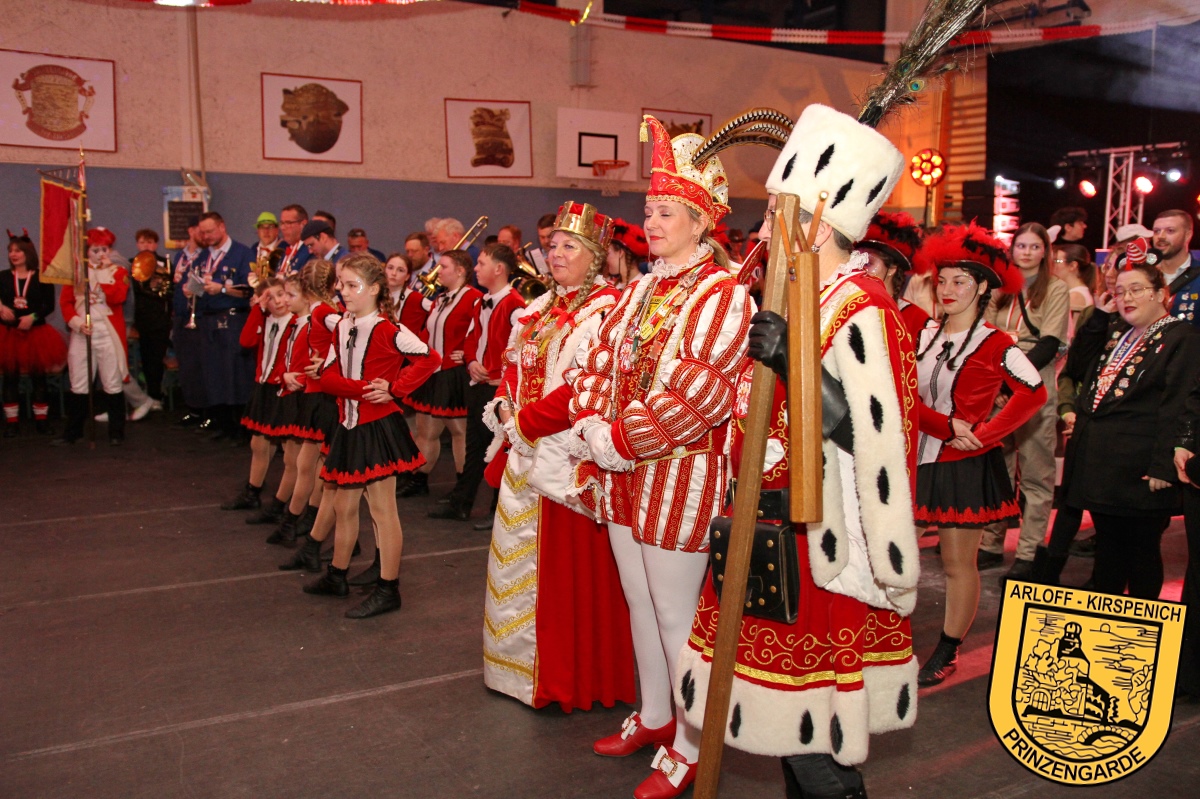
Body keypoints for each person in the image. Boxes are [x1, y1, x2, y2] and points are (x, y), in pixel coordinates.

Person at [676, 104, 920, 799]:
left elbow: (877, 442)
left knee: (815, 742)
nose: (760, 232)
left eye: (774, 214)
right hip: (766, 530)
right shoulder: (797, 295)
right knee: (787, 733)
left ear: (811, 224)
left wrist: (795, 363)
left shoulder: (863, 307)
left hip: (822, 548)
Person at [568, 116, 753, 799]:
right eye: (648, 210)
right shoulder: (643, 287)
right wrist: (595, 425)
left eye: (666, 211)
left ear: (702, 222)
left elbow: (699, 394)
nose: (650, 222)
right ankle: (653, 714)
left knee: (678, 615)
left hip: (680, 474)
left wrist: (617, 441)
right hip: (623, 474)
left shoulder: (723, 294)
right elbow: (595, 360)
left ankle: (692, 742)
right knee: (640, 601)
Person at [481, 201, 634, 710]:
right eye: (553, 245)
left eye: (571, 246)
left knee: (566, 578)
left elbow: (585, 384)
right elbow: (512, 367)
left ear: (595, 255)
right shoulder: (540, 306)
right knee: (518, 566)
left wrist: (526, 424)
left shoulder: (608, 310)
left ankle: (564, 677)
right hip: (524, 451)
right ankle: (516, 674)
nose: (558, 253)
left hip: (565, 460)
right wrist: (506, 408)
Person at [910, 223, 1047, 687]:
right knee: (896, 555)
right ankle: (881, 641)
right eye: (942, 280)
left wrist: (986, 435)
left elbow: (1034, 392)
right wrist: (944, 426)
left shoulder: (997, 342)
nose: (947, 290)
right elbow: (902, 394)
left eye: (960, 281)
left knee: (956, 563)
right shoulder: (922, 333)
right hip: (914, 457)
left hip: (962, 464)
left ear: (984, 287)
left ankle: (947, 649)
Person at [300, 254, 439, 618]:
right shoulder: (343, 325)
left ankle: (388, 588)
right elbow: (327, 378)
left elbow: (430, 358)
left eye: (352, 285)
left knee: (382, 510)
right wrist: (361, 389)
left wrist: (395, 388)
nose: (343, 292)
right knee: (343, 505)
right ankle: (337, 575)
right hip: (348, 425)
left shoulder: (387, 328)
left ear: (375, 289)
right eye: (341, 284)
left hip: (377, 428)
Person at [1058, 260, 1200, 599]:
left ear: (1161, 294)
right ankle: (1106, 623)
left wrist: (1163, 465)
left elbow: (1181, 403)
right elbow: (1077, 366)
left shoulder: (1181, 337)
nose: (1126, 298)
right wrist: (1099, 316)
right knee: (1108, 552)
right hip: (1101, 463)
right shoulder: (1118, 332)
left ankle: (1141, 626)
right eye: (1120, 292)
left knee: (1141, 552)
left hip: (1141, 467)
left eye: (1136, 289)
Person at [978, 222, 1070, 580]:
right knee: (998, 469)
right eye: (1021, 246)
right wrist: (999, 381)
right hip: (997, 385)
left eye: (1035, 246)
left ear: (1045, 251)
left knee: (1035, 474)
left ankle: (1029, 552)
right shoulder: (999, 288)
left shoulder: (1056, 288)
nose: (1027, 252)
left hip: (1033, 387)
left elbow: (1050, 343)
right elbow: (985, 336)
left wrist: (1012, 380)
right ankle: (990, 543)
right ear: (1012, 250)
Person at [431, 243, 525, 522]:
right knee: (476, 447)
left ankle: (497, 510)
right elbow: (471, 338)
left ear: (499, 269)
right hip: (480, 386)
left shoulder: (515, 306)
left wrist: (500, 375)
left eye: (482, 263)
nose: (476, 268)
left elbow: (520, 350)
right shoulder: (481, 302)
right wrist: (471, 361)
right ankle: (462, 502)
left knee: (500, 450)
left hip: (498, 389)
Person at [400, 250, 482, 497]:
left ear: (460, 271)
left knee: (459, 431)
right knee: (426, 430)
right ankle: (419, 479)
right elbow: (428, 333)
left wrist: (468, 354)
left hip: (454, 374)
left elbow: (482, 332)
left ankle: (463, 486)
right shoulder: (440, 299)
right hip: (434, 372)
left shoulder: (474, 298)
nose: (438, 272)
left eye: (443, 267)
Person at [275, 259, 341, 557]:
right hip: (316, 393)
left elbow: (350, 336)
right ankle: (300, 522)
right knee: (309, 466)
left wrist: (327, 364)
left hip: (322, 396)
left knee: (315, 468)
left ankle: (296, 523)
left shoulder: (324, 312)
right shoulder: (320, 311)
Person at [223, 278, 297, 523]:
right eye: (270, 298)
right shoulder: (265, 320)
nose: (277, 301)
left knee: (290, 451)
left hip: (284, 388)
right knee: (259, 444)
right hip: (264, 387)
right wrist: (258, 309)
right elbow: (246, 341)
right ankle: (252, 492)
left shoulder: (296, 321)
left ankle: (286, 503)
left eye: (281, 294)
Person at [56, 227, 130, 446]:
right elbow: (66, 302)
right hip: (83, 333)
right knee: (78, 383)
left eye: (104, 249)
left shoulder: (118, 272)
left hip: (108, 334)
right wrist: (77, 323)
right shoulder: (77, 274)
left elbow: (117, 298)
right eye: (95, 250)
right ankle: (73, 432)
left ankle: (116, 432)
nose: (100, 254)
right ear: (87, 251)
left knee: (112, 382)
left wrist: (106, 273)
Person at [196, 212, 256, 442]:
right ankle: (223, 424)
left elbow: (249, 290)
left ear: (222, 227)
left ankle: (242, 426)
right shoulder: (203, 256)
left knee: (237, 373)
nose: (207, 236)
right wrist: (192, 289)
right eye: (203, 233)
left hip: (233, 319)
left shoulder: (242, 253)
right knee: (214, 373)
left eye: (210, 231)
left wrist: (221, 289)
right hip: (208, 320)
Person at [0, 231, 67, 436]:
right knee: (10, 378)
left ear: (28, 253)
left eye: (18, 251)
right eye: (11, 251)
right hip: (8, 333)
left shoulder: (42, 277)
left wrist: (33, 317)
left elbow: (49, 306)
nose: (13, 254)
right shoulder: (3, 276)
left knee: (39, 377)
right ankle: (12, 423)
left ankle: (42, 421)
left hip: (36, 334)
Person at [857, 211, 927, 340]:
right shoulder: (850, 309)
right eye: (857, 262)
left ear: (892, 268)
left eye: (868, 263)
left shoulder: (918, 321)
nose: (859, 270)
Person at [171, 216, 209, 427]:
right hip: (181, 316)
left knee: (200, 365)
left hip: (199, 316)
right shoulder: (180, 256)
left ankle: (206, 410)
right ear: (191, 231)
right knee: (186, 365)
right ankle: (193, 408)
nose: (204, 235)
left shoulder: (207, 256)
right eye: (200, 231)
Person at [129, 229, 171, 416]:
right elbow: (132, 291)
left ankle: (156, 395)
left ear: (156, 244)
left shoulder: (165, 264)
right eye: (142, 242)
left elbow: (170, 291)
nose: (146, 245)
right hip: (141, 318)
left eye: (150, 242)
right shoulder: (132, 264)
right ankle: (145, 395)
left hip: (160, 318)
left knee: (156, 358)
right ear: (137, 244)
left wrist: (160, 285)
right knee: (145, 359)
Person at [1154, 210, 1197, 324]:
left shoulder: (1197, 275)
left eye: (1170, 231)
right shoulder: (1144, 274)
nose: (1161, 236)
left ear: (1188, 235)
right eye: (1157, 231)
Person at [1052, 242, 1096, 337]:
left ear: (1072, 266)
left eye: (1057, 261)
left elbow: (1071, 334)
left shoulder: (1075, 296)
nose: (1052, 266)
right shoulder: (1073, 292)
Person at [383, 253, 428, 336]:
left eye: (400, 270)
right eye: (390, 268)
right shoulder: (375, 294)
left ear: (407, 276)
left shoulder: (415, 298)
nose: (394, 273)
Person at [605, 218, 648, 290]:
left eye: (607, 254)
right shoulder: (611, 284)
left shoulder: (643, 287)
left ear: (620, 253)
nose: (606, 259)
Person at [276, 204, 312, 277]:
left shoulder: (310, 251)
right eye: (282, 223)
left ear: (303, 224)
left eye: (288, 223)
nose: (283, 228)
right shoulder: (283, 249)